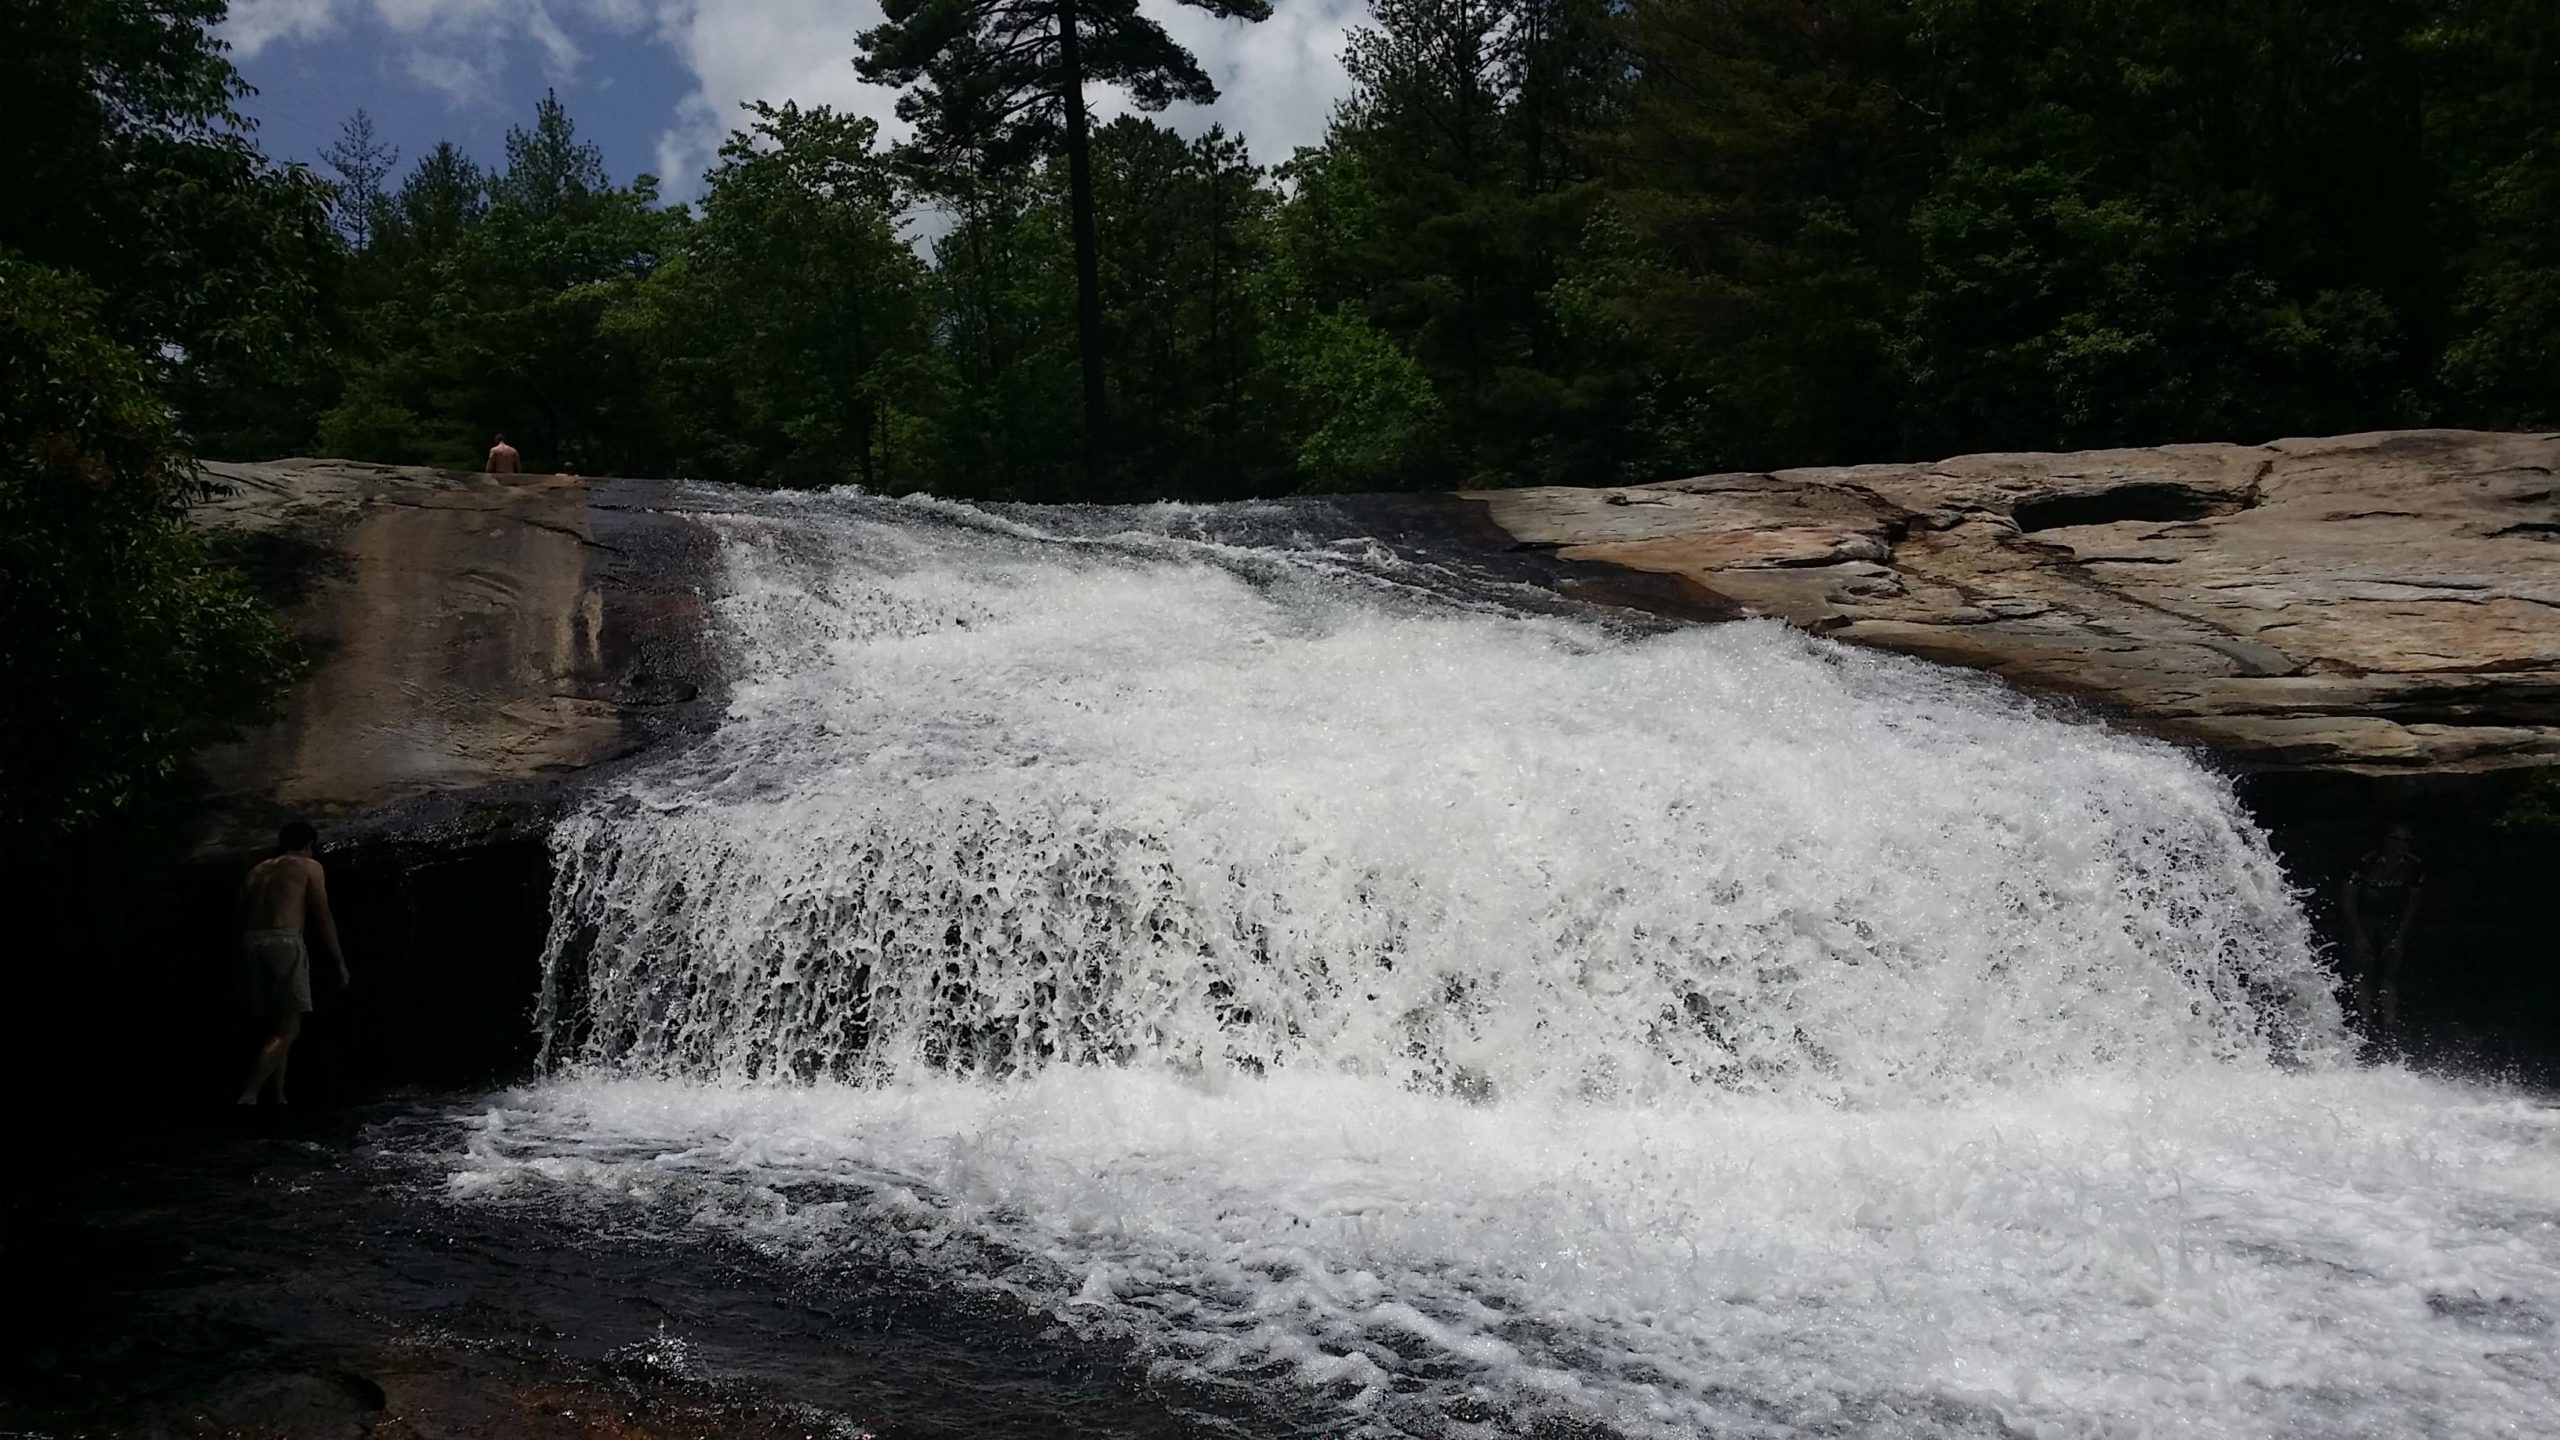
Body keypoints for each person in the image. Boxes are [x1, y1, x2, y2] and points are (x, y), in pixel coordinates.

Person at [235, 821, 349, 1105]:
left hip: (250, 942)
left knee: (277, 1023)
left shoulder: (257, 870)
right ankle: (249, 1095)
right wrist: (339, 962)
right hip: (284, 942)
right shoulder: (309, 867)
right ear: (309, 846)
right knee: (291, 1027)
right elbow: (322, 915)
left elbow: (240, 910)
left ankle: (279, 1096)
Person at [2341, 822, 2424, 1036]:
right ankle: (2365, 1019)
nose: (2401, 844)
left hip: (2392, 919)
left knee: (2390, 970)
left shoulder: (2413, 865)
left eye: (2406, 840)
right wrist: (2358, 934)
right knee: (2363, 969)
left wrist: (2400, 934)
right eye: (2396, 839)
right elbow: (2348, 897)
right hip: (2365, 918)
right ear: (2385, 839)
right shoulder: (2365, 862)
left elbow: (2413, 900)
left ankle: (2390, 1021)